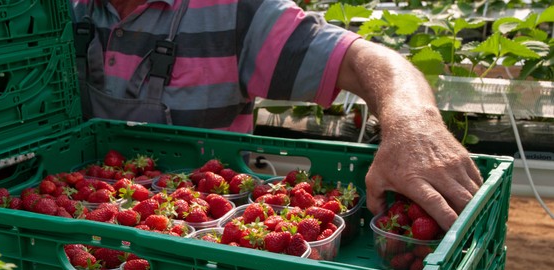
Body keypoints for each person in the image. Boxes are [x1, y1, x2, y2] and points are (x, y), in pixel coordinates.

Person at [69, 0, 484, 231]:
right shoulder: (55, 11)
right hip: (77, 226)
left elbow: (360, 60)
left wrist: (415, 125)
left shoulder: (234, 11)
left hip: (203, 241)